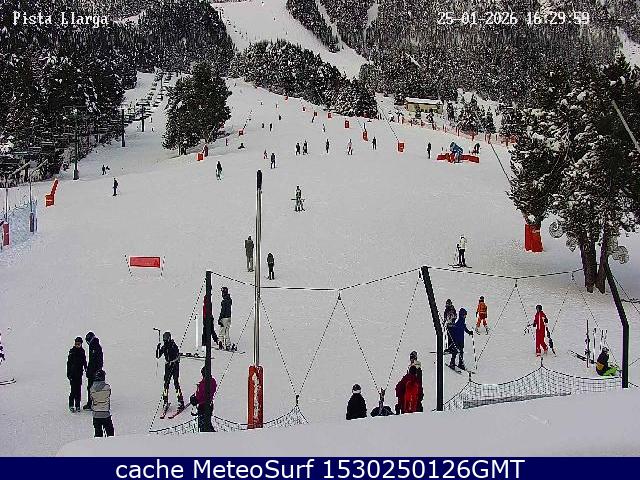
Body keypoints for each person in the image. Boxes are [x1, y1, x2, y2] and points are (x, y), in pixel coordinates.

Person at [156, 332, 185, 410]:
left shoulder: (173, 345)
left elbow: (176, 354)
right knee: (166, 383)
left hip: (174, 365)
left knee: (176, 382)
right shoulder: (164, 346)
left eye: (166, 339)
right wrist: (158, 348)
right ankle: (165, 401)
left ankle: (180, 401)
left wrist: (175, 360)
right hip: (168, 366)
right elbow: (158, 356)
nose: (165, 341)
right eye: (164, 339)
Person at [190, 366, 217, 432]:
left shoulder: (204, 383)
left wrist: (195, 400)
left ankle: (210, 436)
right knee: (207, 423)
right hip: (209, 405)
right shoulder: (212, 381)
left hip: (203, 406)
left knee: (203, 425)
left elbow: (202, 395)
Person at [89, 369, 114, 437]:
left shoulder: (92, 388)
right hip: (105, 413)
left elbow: (92, 399)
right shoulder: (107, 387)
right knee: (110, 433)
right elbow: (108, 395)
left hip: (96, 414)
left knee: (98, 434)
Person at [83, 332, 103, 410]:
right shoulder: (95, 345)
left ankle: (91, 403)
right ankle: (94, 403)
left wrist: (90, 371)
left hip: (94, 372)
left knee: (91, 388)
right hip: (96, 371)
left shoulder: (94, 346)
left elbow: (93, 361)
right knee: (94, 387)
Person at [67, 336, 87, 412]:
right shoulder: (72, 351)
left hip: (79, 374)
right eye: (76, 344)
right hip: (73, 374)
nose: (77, 345)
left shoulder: (82, 351)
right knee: (73, 390)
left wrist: (86, 368)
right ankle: (71, 405)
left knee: (78, 390)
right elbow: (69, 363)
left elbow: (84, 361)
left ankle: (77, 405)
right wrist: (68, 374)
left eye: (79, 344)